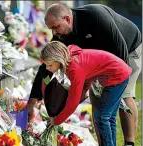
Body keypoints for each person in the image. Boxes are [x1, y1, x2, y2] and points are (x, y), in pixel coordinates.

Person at [27, 3, 142, 146]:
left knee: (124, 96)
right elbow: (46, 67)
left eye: (56, 27)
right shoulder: (60, 37)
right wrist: (34, 98)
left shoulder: (96, 17)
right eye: (51, 29)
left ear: (67, 19)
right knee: (98, 103)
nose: (54, 33)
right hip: (98, 65)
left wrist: (118, 87)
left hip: (127, 49)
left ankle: (129, 142)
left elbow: (120, 49)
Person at [40, 41, 132, 146]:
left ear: (58, 59)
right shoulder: (70, 57)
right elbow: (86, 79)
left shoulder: (75, 68)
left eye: (50, 65)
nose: (48, 68)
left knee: (102, 116)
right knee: (108, 117)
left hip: (117, 76)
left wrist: (56, 120)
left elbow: (73, 101)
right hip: (118, 72)